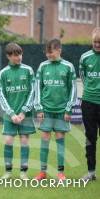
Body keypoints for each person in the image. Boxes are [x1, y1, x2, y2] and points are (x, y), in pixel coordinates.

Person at [34, 38, 77, 180]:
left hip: (61, 111)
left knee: (60, 140)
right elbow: (38, 88)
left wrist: (68, 109)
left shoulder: (68, 67)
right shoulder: (42, 66)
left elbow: (73, 89)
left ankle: (60, 172)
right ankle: (42, 172)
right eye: (46, 52)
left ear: (59, 50)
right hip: (46, 110)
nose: (48, 55)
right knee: (45, 139)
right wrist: (39, 108)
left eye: (50, 52)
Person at [0, 42, 35, 179]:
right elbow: (1, 95)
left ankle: (23, 172)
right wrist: (12, 114)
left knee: (24, 141)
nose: (18, 57)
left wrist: (23, 112)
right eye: (15, 55)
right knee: (8, 141)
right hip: (10, 115)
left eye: (20, 54)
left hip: (25, 114)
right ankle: (8, 171)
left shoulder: (28, 70)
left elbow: (33, 92)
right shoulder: (3, 73)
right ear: (8, 56)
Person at [80, 27, 100, 181]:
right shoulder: (85, 57)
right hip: (89, 103)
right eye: (95, 42)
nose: (97, 45)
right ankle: (91, 172)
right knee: (90, 138)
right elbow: (83, 77)